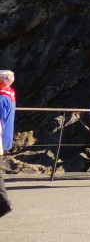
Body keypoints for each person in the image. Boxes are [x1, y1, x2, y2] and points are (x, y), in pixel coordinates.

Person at [0, 70, 15, 217]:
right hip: (3, 137)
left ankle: (4, 204)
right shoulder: (10, 95)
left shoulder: (2, 98)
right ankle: (4, 204)